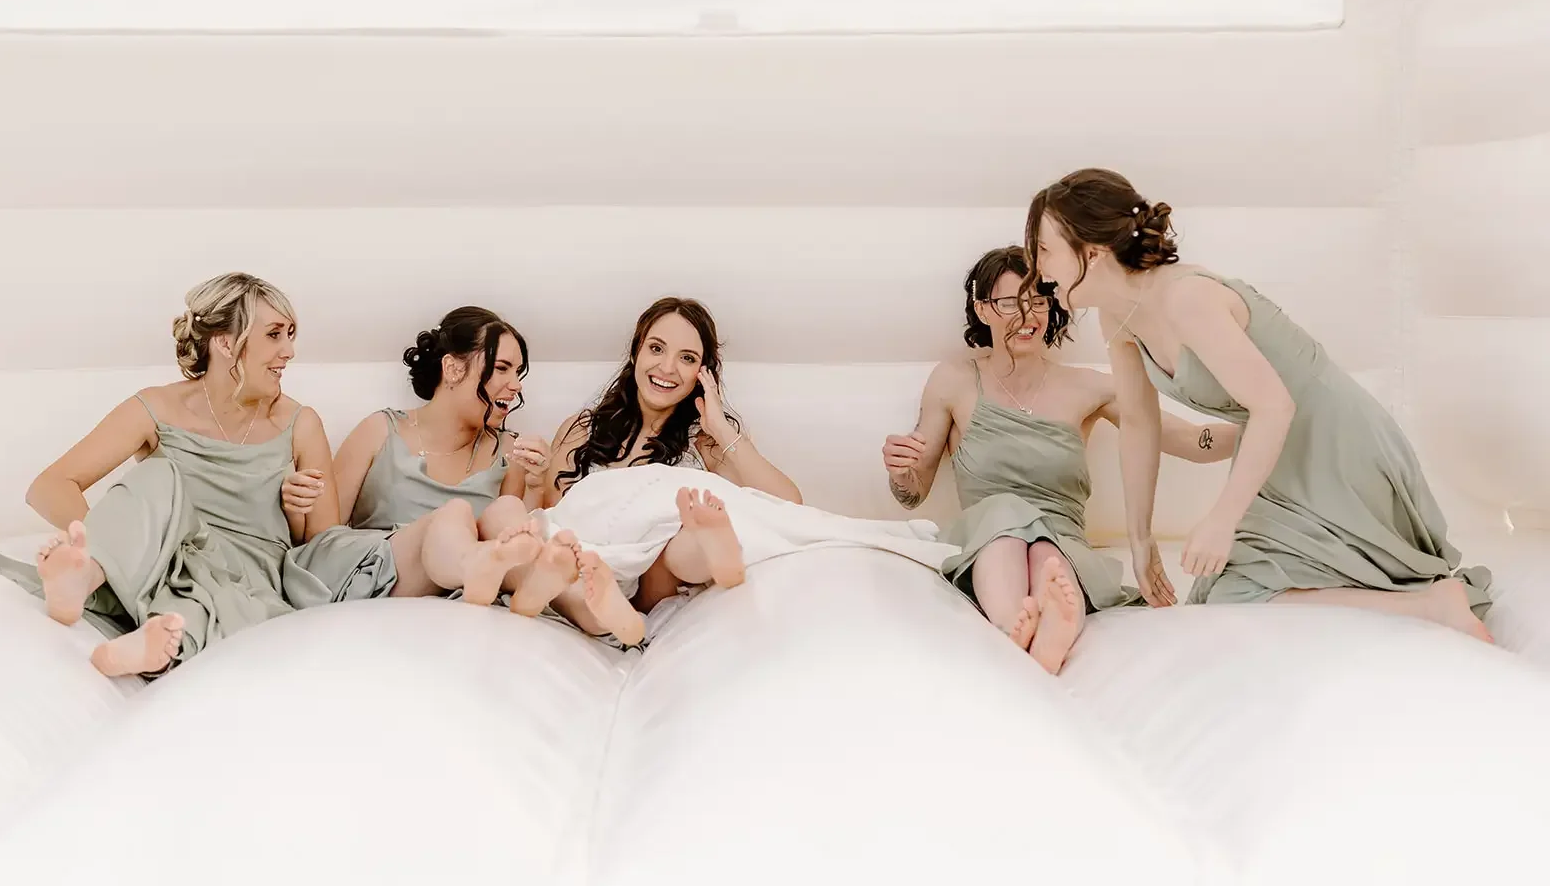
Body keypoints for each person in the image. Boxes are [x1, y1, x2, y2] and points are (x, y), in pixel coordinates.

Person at [1021, 167, 1492, 641]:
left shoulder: (1187, 298)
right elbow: (1141, 424)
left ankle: (1430, 606)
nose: (1039, 270)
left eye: (1045, 250)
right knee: (1226, 591)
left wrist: (1222, 519)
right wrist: (1139, 539)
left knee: (1236, 591)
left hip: (1332, 443)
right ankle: (1420, 604)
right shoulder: (1116, 317)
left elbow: (1275, 407)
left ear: (1094, 252)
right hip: (1278, 453)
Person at [883, 246, 1237, 673]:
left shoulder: (1090, 388)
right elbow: (912, 492)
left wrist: (1261, 428)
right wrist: (903, 471)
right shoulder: (954, 380)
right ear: (983, 310)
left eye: (1038, 300)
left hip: (1062, 540)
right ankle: (1016, 625)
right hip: (987, 542)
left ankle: (1051, 629)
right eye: (1010, 302)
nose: (1026, 315)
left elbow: (1191, 440)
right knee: (1005, 515)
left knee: (1047, 550)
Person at [0, 272, 338, 676]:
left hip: (245, 582)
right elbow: (48, 486)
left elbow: (325, 547)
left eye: (290, 334)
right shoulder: (156, 408)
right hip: (168, 566)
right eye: (275, 335)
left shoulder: (300, 423)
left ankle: (145, 648)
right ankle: (85, 579)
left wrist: (296, 510)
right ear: (225, 343)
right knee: (158, 476)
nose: (289, 350)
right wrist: (126, 546)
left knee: (200, 607)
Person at [474, 296, 802, 646]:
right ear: (636, 353)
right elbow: (555, 515)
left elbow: (789, 504)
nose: (668, 368)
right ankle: (577, 601)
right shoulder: (581, 429)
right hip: (577, 565)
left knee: (679, 539)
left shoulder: (705, 442)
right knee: (510, 520)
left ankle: (708, 560)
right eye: (657, 349)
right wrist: (536, 480)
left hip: (645, 587)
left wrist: (723, 430)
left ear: (702, 375)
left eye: (687, 358)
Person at [281, 307, 553, 610]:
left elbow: (520, 531)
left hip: (458, 581)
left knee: (509, 509)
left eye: (518, 372)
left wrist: (534, 484)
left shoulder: (508, 452)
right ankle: (478, 566)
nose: (516, 385)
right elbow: (323, 533)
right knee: (454, 514)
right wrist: (295, 508)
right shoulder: (380, 430)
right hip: (382, 571)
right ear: (452, 369)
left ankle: (583, 604)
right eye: (502, 368)